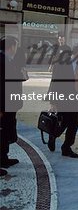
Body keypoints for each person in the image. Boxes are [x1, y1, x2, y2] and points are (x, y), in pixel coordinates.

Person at [47, 44, 78, 158]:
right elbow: (54, 82)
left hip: (76, 100)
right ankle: (52, 135)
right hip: (63, 100)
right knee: (62, 123)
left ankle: (66, 147)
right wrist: (53, 101)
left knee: (74, 125)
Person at [0, 36, 23, 176]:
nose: (16, 49)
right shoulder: (2, 61)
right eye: (15, 46)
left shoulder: (8, 60)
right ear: (10, 46)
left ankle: (4, 157)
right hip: (4, 106)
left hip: (9, 105)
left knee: (6, 131)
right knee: (2, 132)